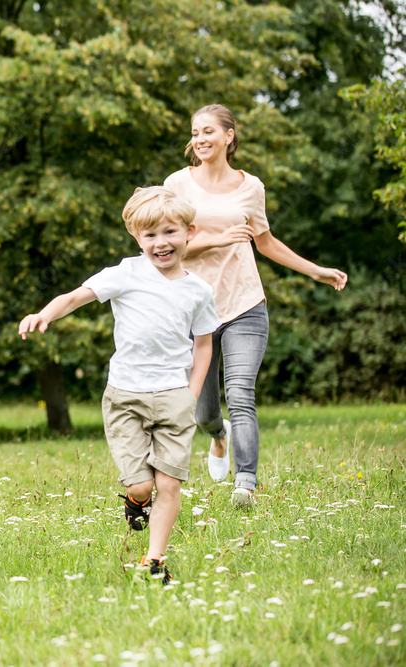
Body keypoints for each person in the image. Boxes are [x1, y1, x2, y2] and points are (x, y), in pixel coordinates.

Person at [19, 186, 220, 583]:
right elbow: (75, 297)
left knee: (169, 483)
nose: (161, 243)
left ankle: (154, 561)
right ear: (136, 237)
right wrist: (45, 314)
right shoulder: (126, 273)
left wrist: (192, 394)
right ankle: (134, 500)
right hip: (126, 396)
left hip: (175, 397)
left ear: (189, 233)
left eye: (169, 232)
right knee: (143, 485)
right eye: (150, 235)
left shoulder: (198, 290)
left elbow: (204, 344)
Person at [164, 104, 347, 507]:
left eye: (208, 131)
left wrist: (315, 271)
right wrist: (218, 239)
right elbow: (167, 245)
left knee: (241, 392)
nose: (200, 139)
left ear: (229, 136)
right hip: (195, 310)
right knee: (203, 411)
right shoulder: (177, 184)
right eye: (195, 132)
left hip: (245, 303)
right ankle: (219, 436)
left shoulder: (252, 187)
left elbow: (266, 243)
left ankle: (245, 483)